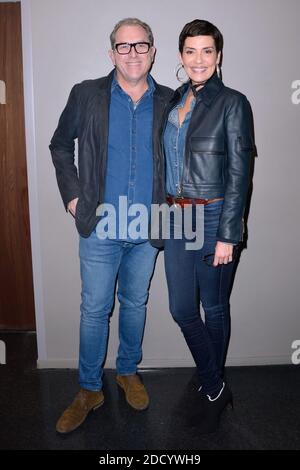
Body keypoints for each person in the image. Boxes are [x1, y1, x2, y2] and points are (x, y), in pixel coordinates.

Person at [50, 17, 173, 434]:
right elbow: (60, 144)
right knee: (94, 310)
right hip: (101, 226)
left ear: (153, 51)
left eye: (141, 46)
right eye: (124, 46)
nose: (133, 53)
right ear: (111, 53)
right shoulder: (86, 95)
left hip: (147, 227)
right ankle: (89, 389)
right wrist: (72, 195)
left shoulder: (172, 102)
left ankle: (127, 372)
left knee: (136, 305)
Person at [163, 19, 255, 434]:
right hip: (177, 216)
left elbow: (240, 173)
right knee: (182, 309)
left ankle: (211, 388)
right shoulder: (175, 101)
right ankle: (216, 385)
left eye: (207, 51)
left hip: (214, 215)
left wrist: (228, 235)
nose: (198, 59)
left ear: (218, 57)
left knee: (214, 308)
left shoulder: (233, 103)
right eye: (190, 51)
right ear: (180, 56)